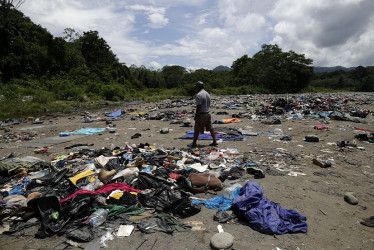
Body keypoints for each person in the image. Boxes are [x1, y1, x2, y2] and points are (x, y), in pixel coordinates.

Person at [188, 81, 218, 147]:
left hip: (201, 114)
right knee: (210, 128)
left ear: (198, 87)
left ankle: (194, 143)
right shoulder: (207, 93)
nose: (196, 89)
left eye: (196, 87)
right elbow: (209, 104)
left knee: (197, 128)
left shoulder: (199, 95)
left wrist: (196, 115)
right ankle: (215, 141)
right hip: (208, 113)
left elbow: (199, 106)